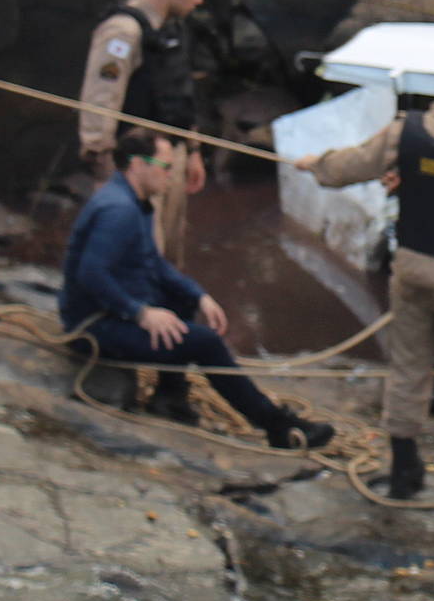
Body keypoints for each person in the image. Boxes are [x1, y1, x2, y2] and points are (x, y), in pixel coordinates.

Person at [295, 54, 434, 507]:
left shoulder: (405, 131)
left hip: (412, 264)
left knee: (407, 366)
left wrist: (313, 164)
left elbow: (350, 167)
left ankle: (404, 468)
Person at [62, 127, 334, 449]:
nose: (170, 175)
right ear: (137, 164)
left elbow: (155, 263)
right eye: (165, 167)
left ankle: (170, 397)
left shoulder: (135, 201)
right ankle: (276, 426)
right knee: (205, 343)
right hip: (94, 325)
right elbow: (90, 274)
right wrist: (141, 314)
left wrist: (199, 295)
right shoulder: (118, 211)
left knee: (181, 298)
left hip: (115, 310)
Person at [77, 0, 210, 266]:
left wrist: (192, 150)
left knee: (170, 251)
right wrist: (99, 155)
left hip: (173, 154)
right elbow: (100, 97)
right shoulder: (123, 31)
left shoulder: (173, 27)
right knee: (139, 253)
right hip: (136, 161)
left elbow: (180, 91)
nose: (200, 1)